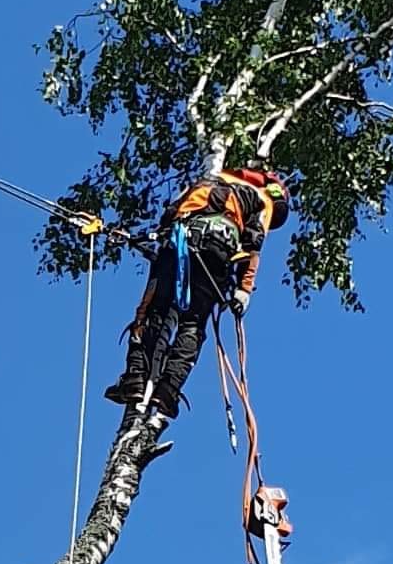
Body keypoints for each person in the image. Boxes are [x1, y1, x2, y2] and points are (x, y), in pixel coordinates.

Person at [104, 164, 289, 415]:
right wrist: (243, 291)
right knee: (192, 323)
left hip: (181, 241)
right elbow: (252, 247)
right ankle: (167, 391)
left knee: (152, 313)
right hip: (217, 254)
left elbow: (171, 213)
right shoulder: (263, 198)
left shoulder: (208, 180)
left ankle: (136, 377)